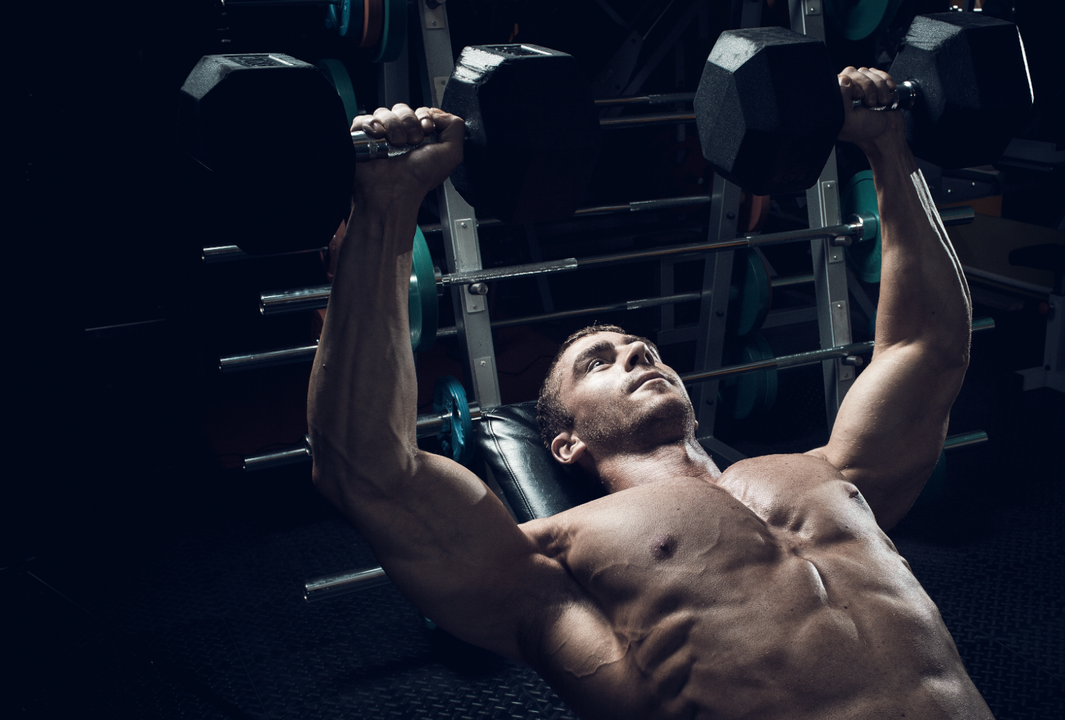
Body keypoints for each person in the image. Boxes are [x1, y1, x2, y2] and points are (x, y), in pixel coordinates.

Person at [307, 65, 991, 719]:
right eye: (597, 363)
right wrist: (386, 209)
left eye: (644, 349)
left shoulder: (832, 473)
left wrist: (886, 145)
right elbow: (368, 470)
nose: (635, 354)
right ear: (565, 441)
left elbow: (927, 349)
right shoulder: (550, 563)